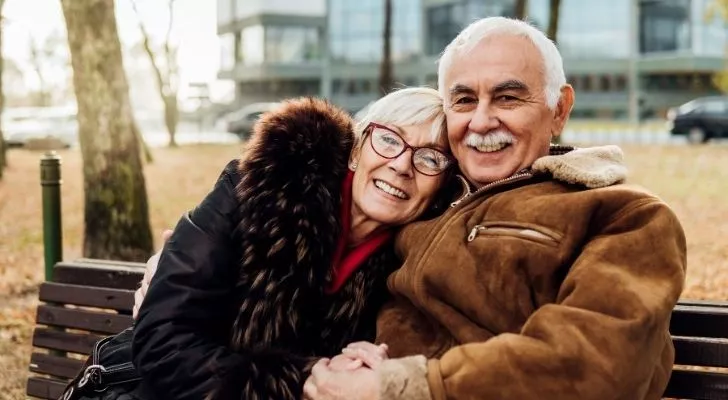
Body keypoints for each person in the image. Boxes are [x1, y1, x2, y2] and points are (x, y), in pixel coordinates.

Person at [302, 17, 687, 400]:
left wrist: (404, 385)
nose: (482, 122)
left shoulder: (624, 215)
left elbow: (600, 362)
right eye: (464, 100)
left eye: (508, 97)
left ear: (559, 109)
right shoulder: (424, 198)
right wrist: (335, 369)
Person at [131, 87, 455, 400]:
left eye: (430, 159)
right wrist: (307, 382)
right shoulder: (258, 189)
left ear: (441, 188)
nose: (401, 165)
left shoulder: (409, 270)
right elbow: (163, 339)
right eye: (388, 139)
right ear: (357, 150)